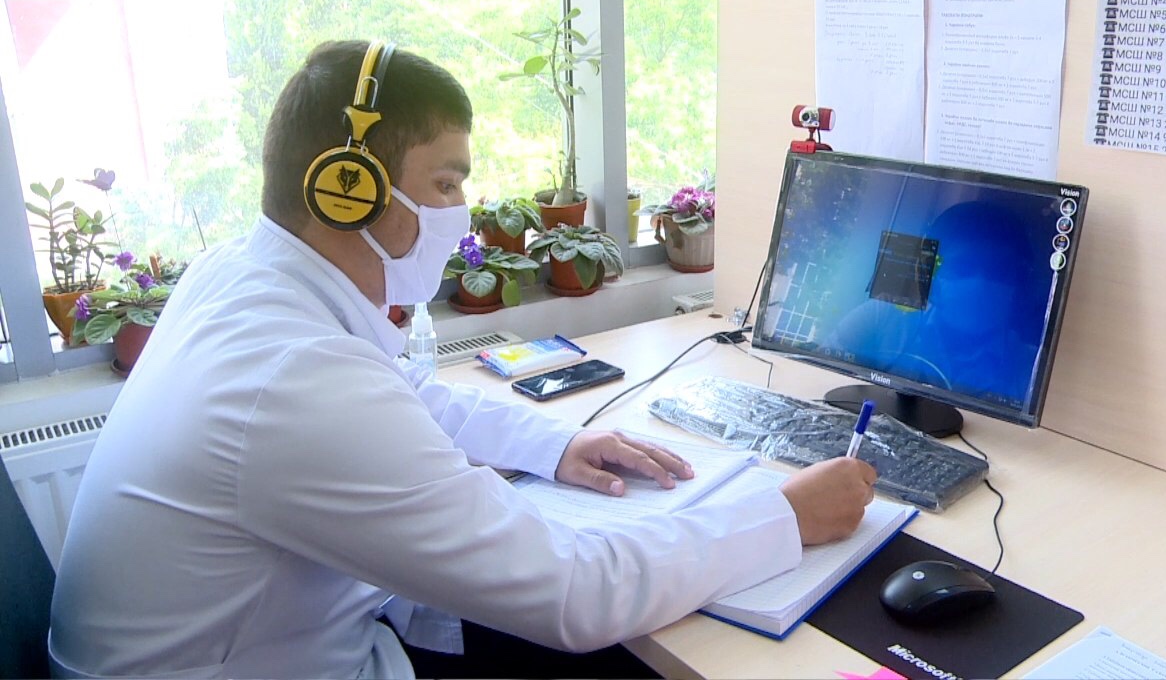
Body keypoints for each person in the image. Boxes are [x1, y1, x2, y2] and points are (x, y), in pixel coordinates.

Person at [48, 40, 878, 679]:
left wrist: (556, 444)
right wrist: (784, 517)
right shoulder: (295, 378)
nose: (460, 209)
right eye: (445, 184)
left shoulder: (243, 274)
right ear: (348, 188)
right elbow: (575, 594)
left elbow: (401, 396)